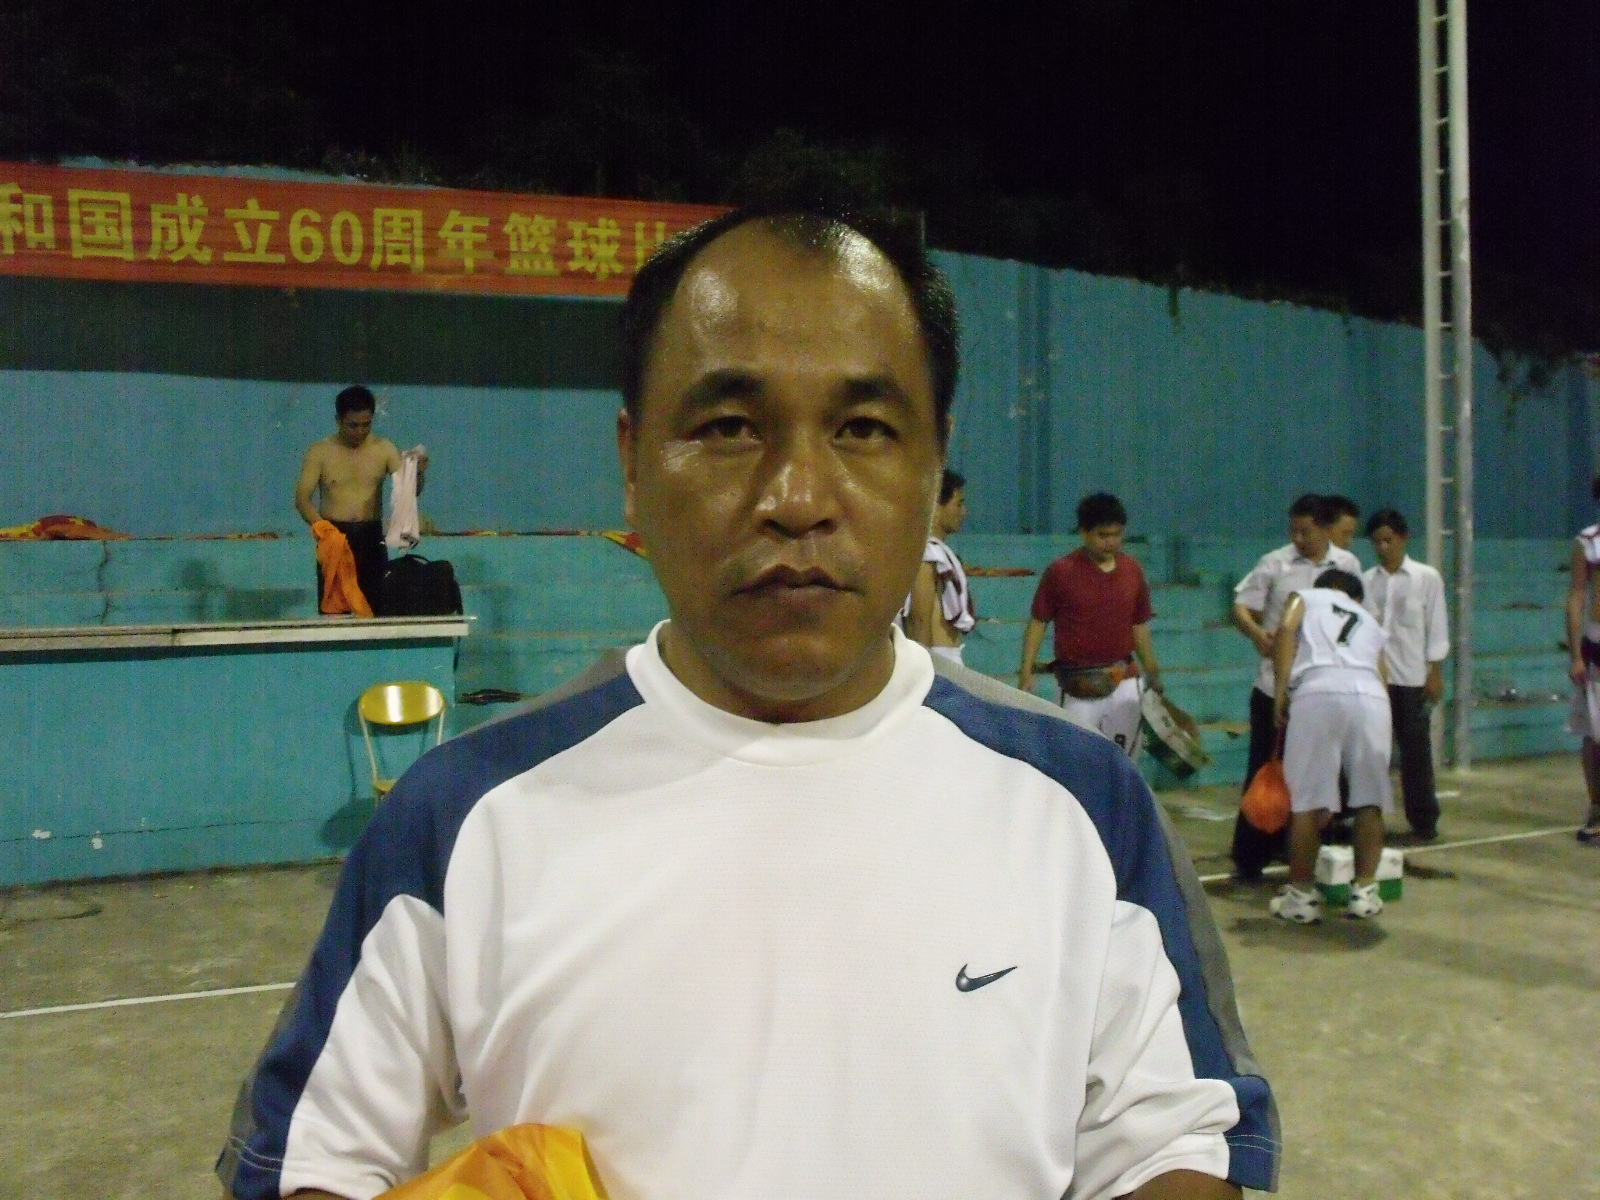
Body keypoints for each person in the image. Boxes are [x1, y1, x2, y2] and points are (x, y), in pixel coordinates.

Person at [219, 206, 1276, 1200]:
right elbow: (315, 1154)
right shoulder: (463, 815)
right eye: (728, 426)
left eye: (863, 428)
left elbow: (1179, 1141)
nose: (797, 498)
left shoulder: (1084, 802)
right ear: (634, 464)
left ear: (934, 463)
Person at [1228, 494, 1362, 879]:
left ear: (1326, 529)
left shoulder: (1347, 565)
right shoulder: (1275, 563)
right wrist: (1257, 633)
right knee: (1265, 772)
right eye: (1294, 532)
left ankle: (1305, 854)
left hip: (1322, 688)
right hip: (1274, 687)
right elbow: (1241, 607)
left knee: (1318, 776)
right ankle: (1251, 858)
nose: (1299, 539)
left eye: (1307, 532)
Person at [1268, 569, 1393, 923]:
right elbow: (1383, 673)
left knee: (1307, 802)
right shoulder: (1367, 618)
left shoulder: (1305, 597)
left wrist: (1281, 690)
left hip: (1318, 690)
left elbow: (1285, 631)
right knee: (1370, 799)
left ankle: (1301, 898)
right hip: (1371, 696)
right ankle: (1365, 893)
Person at [1019, 492, 1164, 756]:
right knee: (1074, 760)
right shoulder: (1061, 572)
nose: (1111, 542)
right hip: (1077, 685)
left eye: (1117, 534)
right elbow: (1039, 622)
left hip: (1125, 680)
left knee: (1123, 762)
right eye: (1103, 535)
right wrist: (1026, 671)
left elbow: (1139, 625)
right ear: (1084, 533)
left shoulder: (1132, 570)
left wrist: (1152, 670)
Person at [294, 386, 428, 612]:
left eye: (366, 424)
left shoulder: (384, 449)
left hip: (371, 538)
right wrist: (324, 531)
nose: (359, 431)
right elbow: (302, 500)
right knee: (335, 613)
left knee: (376, 610)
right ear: (338, 420)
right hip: (335, 537)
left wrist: (419, 472)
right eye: (353, 425)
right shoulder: (320, 452)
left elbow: (409, 493)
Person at [1363, 508, 1449, 841]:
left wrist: (1435, 672)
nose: (1382, 547)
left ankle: (1424, 819)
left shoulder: (1427, 578)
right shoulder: (1367, 581)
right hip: (1376, 679)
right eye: (1377, 542)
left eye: (1388, 540)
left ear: (1403, 538)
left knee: (1415, 752)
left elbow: (1436, 627)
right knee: (1372, 752)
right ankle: (1367, 818)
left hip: (1413, 677)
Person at [902, 467, 974, 664]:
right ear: (935, 505)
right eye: (958, 504)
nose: (964, 512)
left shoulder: (937, 552)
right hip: (936, 660)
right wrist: (920, 669)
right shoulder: (927, 555)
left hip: (946, 659)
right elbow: (919, 620)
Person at [1565, 475, 1600, 845]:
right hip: (1596, 649)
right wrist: (1576, 654)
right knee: (1594, 735)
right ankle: (1597, 806)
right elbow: (1576, 596)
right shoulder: (1588, 542)